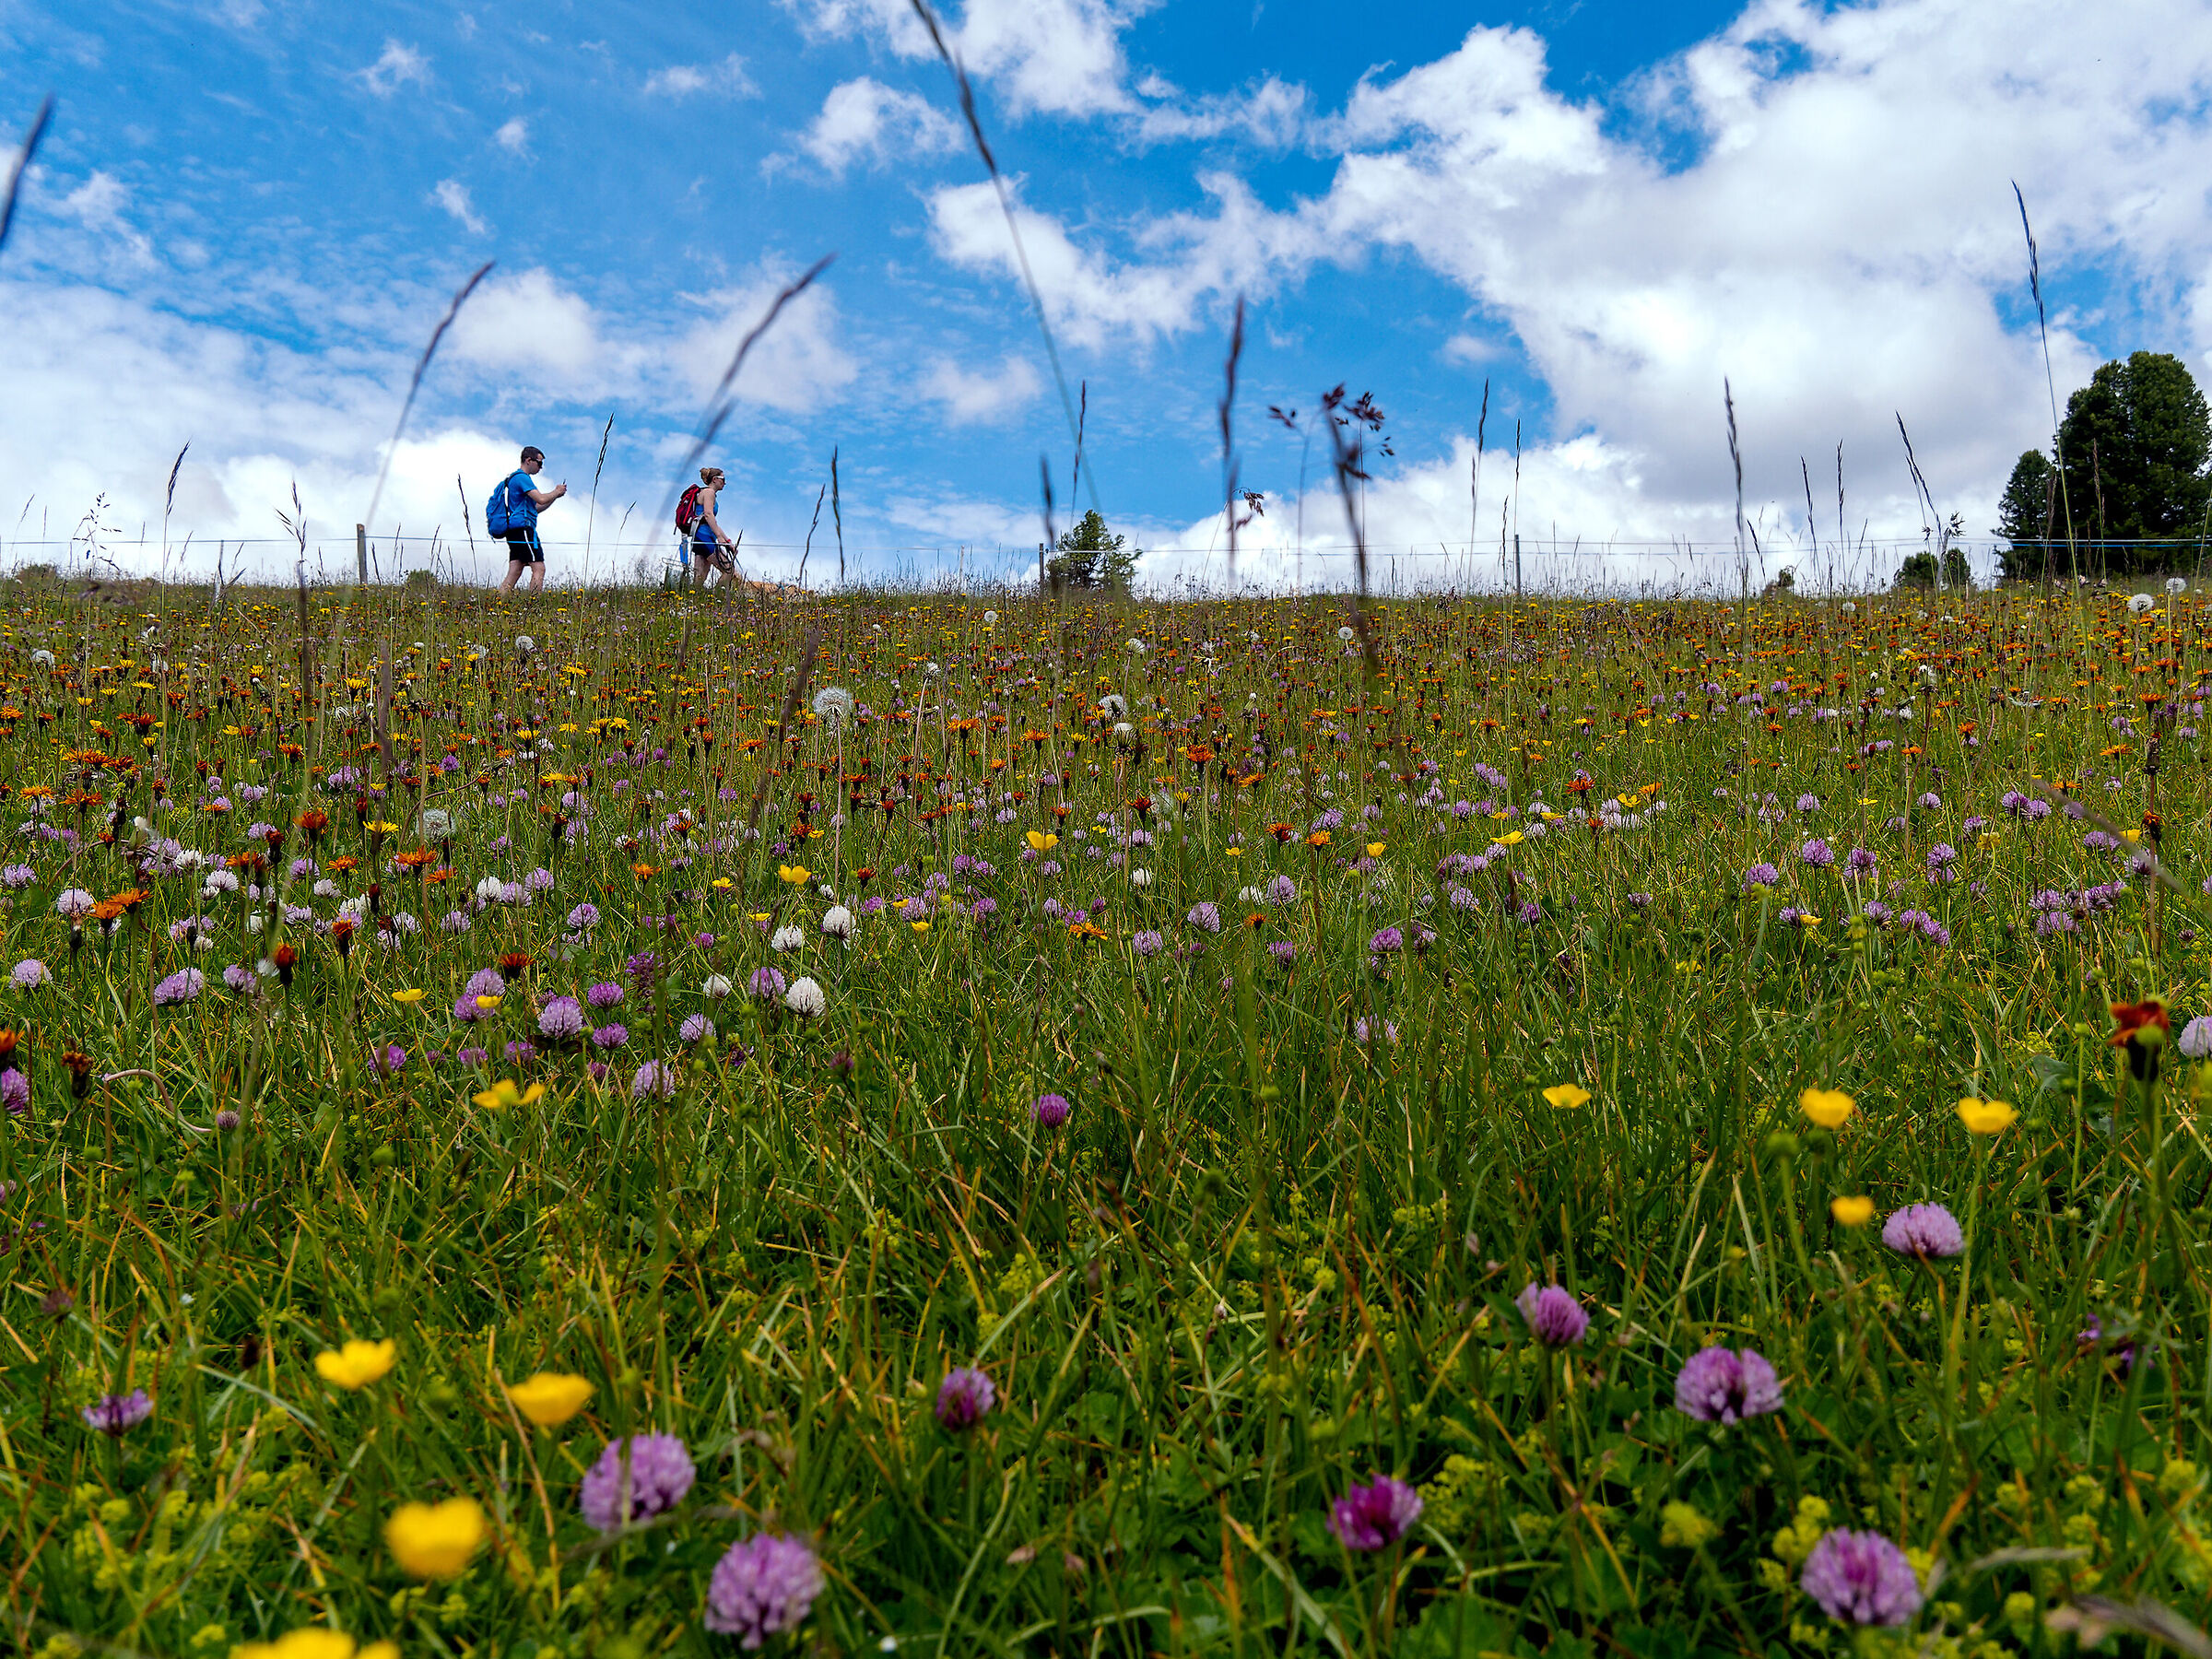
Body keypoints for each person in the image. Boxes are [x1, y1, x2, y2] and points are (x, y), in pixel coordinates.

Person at [498, 445, 566, 594]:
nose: (541, 468)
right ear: (529, 460)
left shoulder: (514, 478)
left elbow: (535, 508)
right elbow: (541, 499)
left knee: (515, 570)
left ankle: (497, 603)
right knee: (539, 567)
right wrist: (556, 491)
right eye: (539, 463)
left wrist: (555, 496)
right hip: (523, 528)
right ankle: (533, 606)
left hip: (515, 528)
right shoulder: (522, 478)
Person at [684, 466, 739, 588]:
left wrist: (727, 541)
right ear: (715, 479)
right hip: (704, 537)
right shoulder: (709, 493)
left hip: (700, 537)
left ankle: (695, 600)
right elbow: (709, 515)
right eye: (723, 479)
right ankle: (714, 598)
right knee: (729, 570)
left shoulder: (706, 493)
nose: (725, 483)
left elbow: (713, 522)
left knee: (700, 577)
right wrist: (720, 538)